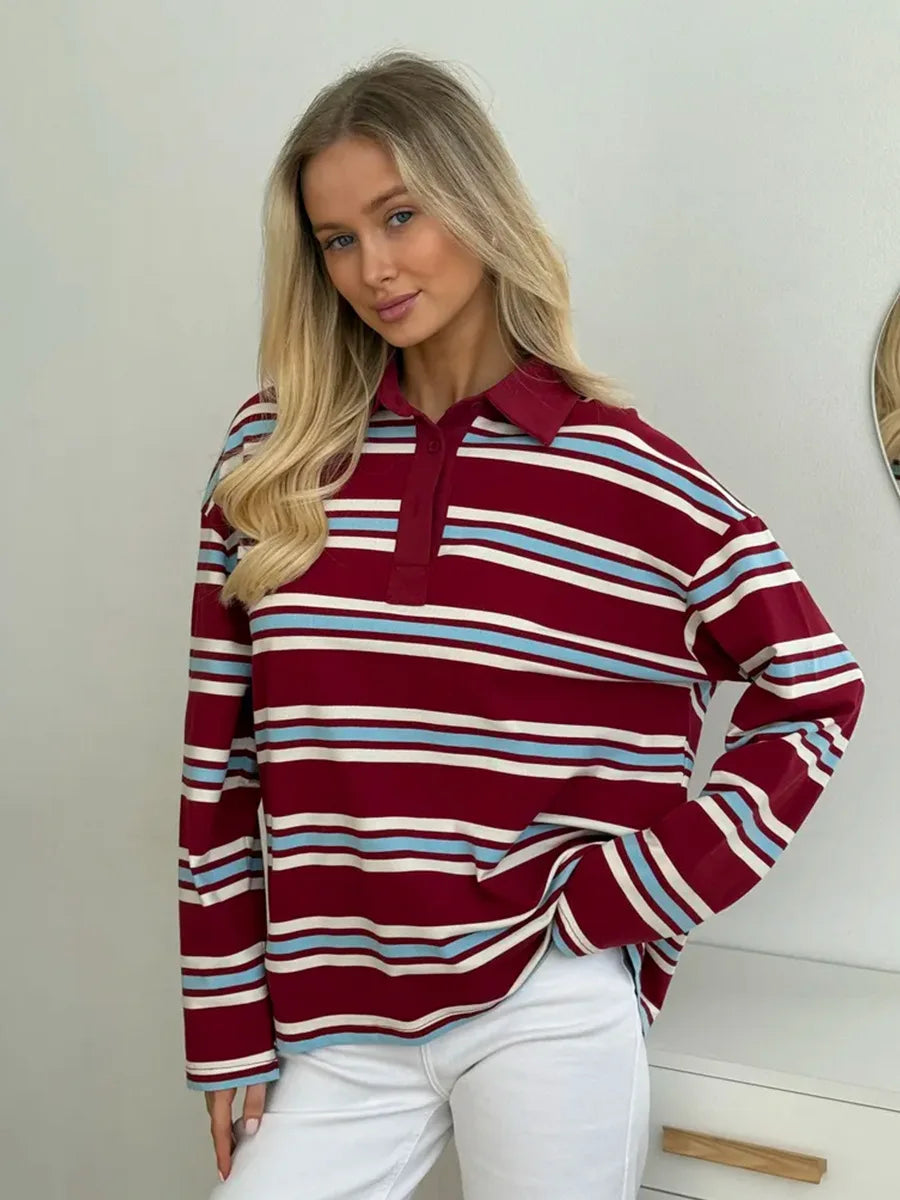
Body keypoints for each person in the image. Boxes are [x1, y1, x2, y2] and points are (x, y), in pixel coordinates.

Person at [177, 49, 867, 1200]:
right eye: (337, 239)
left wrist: (623, 900)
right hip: (334, 1011)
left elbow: (816, 692)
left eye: (401, 215)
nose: (373, 267)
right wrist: (227, 1020)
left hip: (541, 995)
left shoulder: (623, 473)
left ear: (475, 200)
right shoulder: (272, 456)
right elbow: (219, 762)